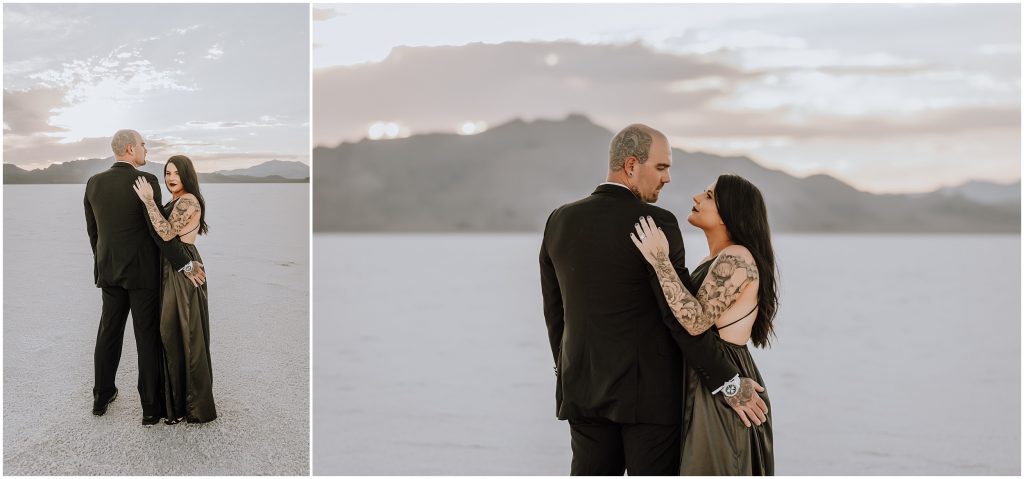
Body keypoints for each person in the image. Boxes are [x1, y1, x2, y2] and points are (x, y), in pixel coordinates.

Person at [539, 124, 768, 475]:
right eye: (661, 168)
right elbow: (674, 318)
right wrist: (728, 381)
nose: (669, 179)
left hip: (582, 390)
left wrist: (567, 369)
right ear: (632, 165)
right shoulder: (654, 223)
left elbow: (556, 312)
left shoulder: (559, 220)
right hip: (649, 396)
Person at [631, 174, 777, 475]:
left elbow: (695, 322)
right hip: (703, 378)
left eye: (709, 196)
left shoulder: (737, 258)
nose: (697, 197)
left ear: (731, 213)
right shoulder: (712, 259)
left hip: (723, 384)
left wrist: (660, 261)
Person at [85, 129, 206, 426]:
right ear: (130, 148)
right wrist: (185, 265)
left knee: (108, 332)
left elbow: (94, 232)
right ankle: (151, 409)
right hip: (143, 275)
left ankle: (101, 397)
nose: (145, 149)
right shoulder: (145, 181)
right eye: (142, 145)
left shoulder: (93, 183)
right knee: (147, 339)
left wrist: (102, 263)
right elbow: (158, 233)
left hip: (110, 272)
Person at [132, 154, 217, 424]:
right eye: (168, 173)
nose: (170, 178)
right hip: (170, 267)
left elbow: (167, 233)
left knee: (182, 333)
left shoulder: (189, 200)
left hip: (183, 269)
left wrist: (148, 201)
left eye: (176, 174)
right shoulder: (175, 200)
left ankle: (190, 406)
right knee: (171, 334)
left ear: (187, 176)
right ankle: (176, 404)